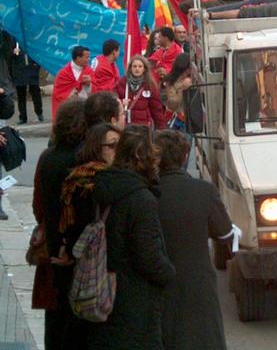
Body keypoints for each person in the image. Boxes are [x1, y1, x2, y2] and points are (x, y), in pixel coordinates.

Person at [90, 126, 176, 350]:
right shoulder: (140, 198)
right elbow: (147, 254)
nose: (156, 160)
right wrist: (169, 273)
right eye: (153, 153)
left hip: (109, 291)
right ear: (141, 156)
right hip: (136, 300)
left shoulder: (105, 185)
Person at [155, 130, 233, 350]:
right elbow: (224, 232)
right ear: (184, 156)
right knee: (204, 338)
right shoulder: (204, 191)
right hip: (198, 282)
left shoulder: (147, 194)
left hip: (161, 282)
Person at [36, 97, 89, 349]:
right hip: (77, 246)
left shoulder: (47, 157)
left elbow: (38, 205)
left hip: (52, 243)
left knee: (55, 317)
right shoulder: (84, 161)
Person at [59, 123, 121, 261]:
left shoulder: (119, 175)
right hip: (93, 258)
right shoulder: (84, 183)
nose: (118, 151)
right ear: (96, 148)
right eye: (112, 146)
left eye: (120, 145)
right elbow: (76, 224)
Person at [117, 55, 165, 129]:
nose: (137, 69)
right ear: (130, 68)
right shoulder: (123, 83)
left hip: (143, 127)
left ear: (144, 69)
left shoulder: (149, 85)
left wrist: (161, 128)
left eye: (140, 66)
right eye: (134, 66)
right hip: (126, 126)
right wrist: (120, 102)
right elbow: (112, 101)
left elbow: (156, 109)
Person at [10, 41, 43, 123]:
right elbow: (9, 54)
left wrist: (36, 65)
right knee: (21, 94)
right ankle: (23, 117)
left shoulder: (31, 37)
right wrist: (13, 53)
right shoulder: (15, 39)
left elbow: (38, 52)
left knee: (35, 92)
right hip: (19, 70)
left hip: (32, 69)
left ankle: (39, 113)